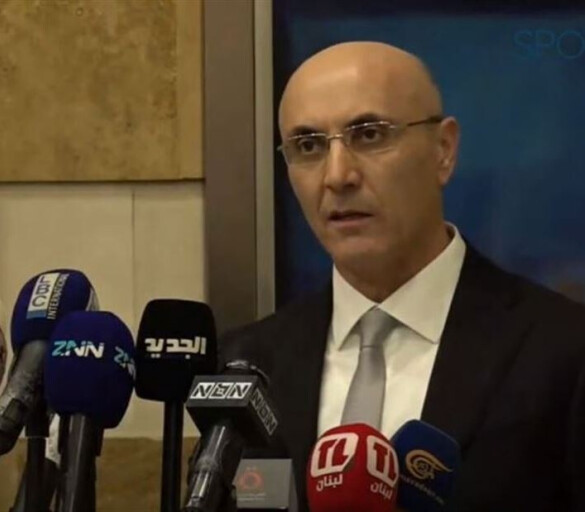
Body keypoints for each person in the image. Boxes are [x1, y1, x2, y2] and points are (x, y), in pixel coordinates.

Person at [219, 41, 585, 512]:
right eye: (308, 146)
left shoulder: (564, 353)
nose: (337, 176)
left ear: (443, 151)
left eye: (369, 135)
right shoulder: (247, 362)